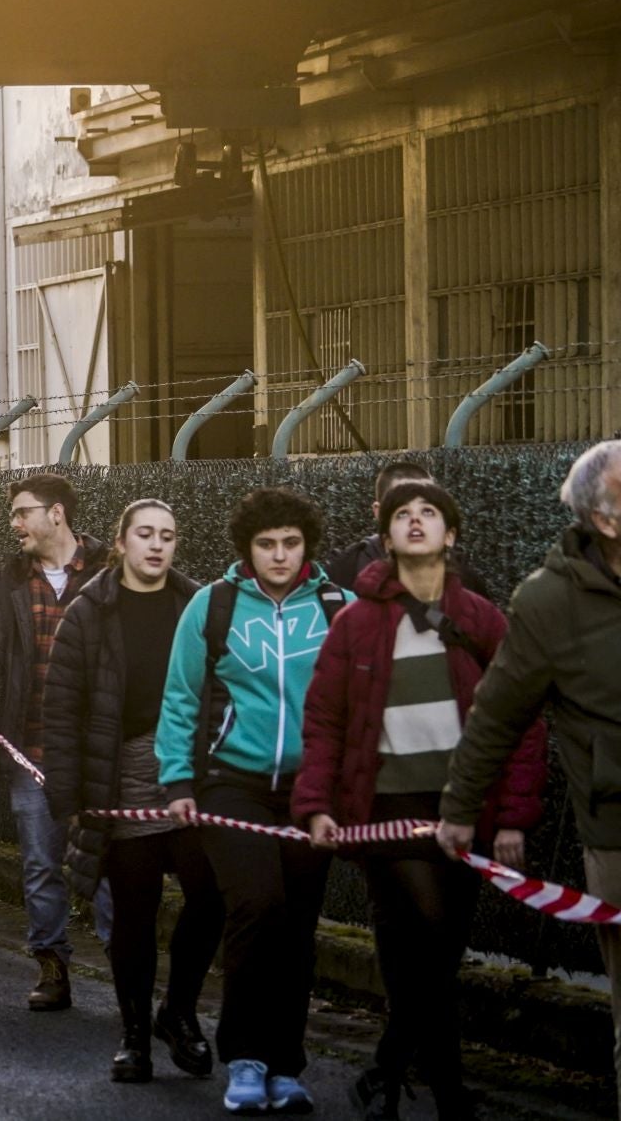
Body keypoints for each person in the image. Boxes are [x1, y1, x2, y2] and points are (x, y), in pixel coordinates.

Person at [295, 481, 545, 1119]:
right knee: (425, 943)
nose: (414, 521)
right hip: (383, 810)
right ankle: (452, 1098)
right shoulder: (356, 621)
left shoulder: (482, 618)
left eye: (428, 513)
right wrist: (317, 803)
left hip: (462, 808)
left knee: (427, 954)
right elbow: (324, 717)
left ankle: (385, 1070)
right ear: (385, 538)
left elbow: (522, 718)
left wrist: (514, 816)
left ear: (451, 535)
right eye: (401, 514)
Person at [438, 440, 621, 1114]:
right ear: (604, 520)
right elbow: (498, 713)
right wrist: (461, 808)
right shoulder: (549, 602)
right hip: (617, 832)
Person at [153, 486, 346, 1115]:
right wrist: (178, 781)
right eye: (267, 544)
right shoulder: (213, 605)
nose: (280, 554)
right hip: (230, 782)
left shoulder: (337, 607)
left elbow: (358, 708)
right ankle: (245, 1056)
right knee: (256, 905)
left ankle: (287, 1066)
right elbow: (181, 698)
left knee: (297, 925)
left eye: (291, 543)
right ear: (248, 549)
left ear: (307, 546)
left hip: (310, 790)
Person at [42, 499, 220, 1084]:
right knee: (134, 913)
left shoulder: (198, 606)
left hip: (187, 775)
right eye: (144, 534)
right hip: (119, 777)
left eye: (167, 535)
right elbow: (62, 711)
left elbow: (220, 692)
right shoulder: (89, 612)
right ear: (121, 543)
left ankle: (179, 1012)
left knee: (211, 894)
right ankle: (135, 1034)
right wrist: (68, 801)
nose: (156, 544)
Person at [0, 472, 111, 1011]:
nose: (15, 524)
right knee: (40, 864)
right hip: (30, 747)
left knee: (110, 864)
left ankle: (127, 970)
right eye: (12, 515)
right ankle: (51, 967)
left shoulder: (106, 573)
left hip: (97, 754)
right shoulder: (8, 581)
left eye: (23, 512)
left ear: (56, 514)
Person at [324, 461, 490, 598]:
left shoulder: (465, 581)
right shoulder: (344, 573)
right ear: (378, 512)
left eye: (427, 510)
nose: (415, 519)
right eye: (402, 510)